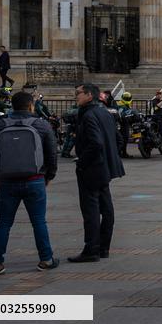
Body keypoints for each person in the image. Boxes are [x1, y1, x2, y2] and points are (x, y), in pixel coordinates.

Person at [0, 91, 59, 275]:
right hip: (34, 179)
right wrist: (49, 176)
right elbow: (52, 154)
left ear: (12, 106)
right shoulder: (41, 124)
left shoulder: (0, 125)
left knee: (3, 223)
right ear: (31, 106)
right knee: (39, 222)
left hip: (7, 181)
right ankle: (46, 259)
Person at [69, 83, 124, 262]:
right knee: (106, 208)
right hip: (104, 167)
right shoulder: (105, 112)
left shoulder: (88, 115)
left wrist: (82, 161)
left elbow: (96, 143)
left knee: (91, 210)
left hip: (92, 168)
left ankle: (91, 249)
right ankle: (103, 248)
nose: (76, 96)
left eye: (78, 93)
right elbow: (118, 139)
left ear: (89, 95)